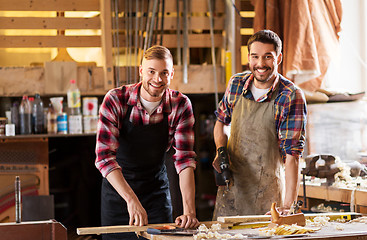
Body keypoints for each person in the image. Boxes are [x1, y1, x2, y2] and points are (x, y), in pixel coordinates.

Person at [95, 45, 200, 239]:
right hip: (119, 195)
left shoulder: (181, 105)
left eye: (164, 73)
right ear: (141, 71)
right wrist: (131, 200)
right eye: (151, 71)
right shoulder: (116, 99)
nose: (157, 79)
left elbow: (184, 160)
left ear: (171, 74)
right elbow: (104, 158)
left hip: (156, 195)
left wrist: (189, 212)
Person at [212, 30, 307, 218]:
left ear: (278, 58)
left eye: (268, 57)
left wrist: (288, 206)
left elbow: (292, 156)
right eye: (255, 57)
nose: (261, 64)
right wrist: (221, 151)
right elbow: (221, 122)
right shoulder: (236, 84)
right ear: (248, 57)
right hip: (232, 191)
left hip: (269, 197)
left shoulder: (290, 96)